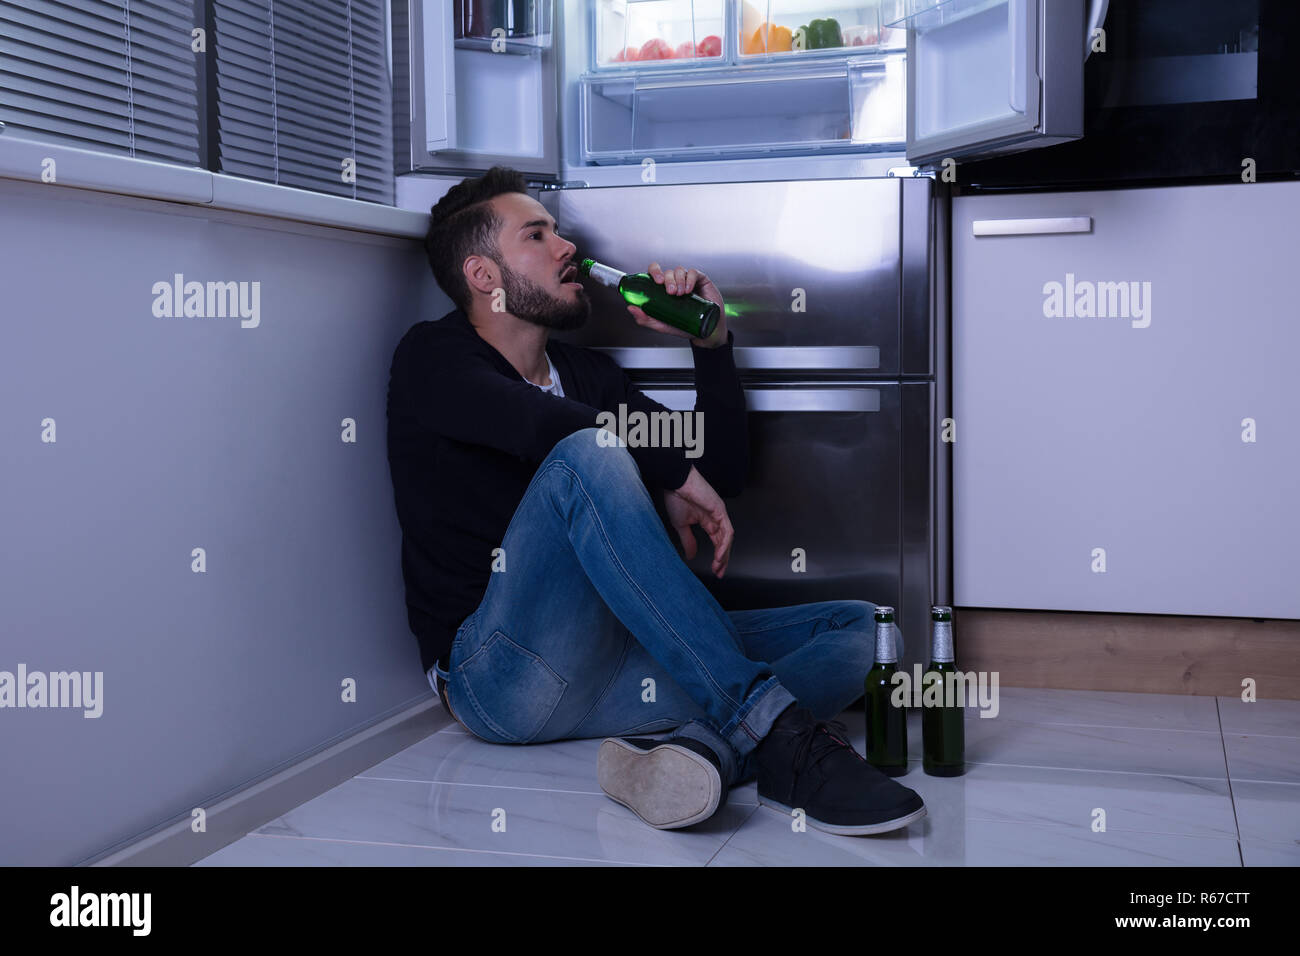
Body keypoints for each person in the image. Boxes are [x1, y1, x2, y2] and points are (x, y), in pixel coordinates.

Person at [385, 166, 926, 836]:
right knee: (591, 451)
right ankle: (781, 741)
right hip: (497, 678)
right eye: (537, 235)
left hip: (613, 666)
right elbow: (540, 426)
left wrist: (712, 344)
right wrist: (664, 468)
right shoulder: (433, 359)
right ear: (484, 275)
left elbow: (720, 468)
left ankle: (700, 754)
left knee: (868, 631)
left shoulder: (588, 377)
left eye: (558, 232)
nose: (566, 249)